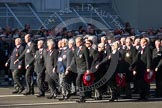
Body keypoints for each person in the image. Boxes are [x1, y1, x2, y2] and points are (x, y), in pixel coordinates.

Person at [67, 37, 90, 103]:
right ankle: (82, 97)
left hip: (84, 68)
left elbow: (87, 60)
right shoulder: (76, 49)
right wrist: (70, 66)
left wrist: (88, 69)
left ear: (81, 42)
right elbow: (74, 58)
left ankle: (82, 96)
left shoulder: (84, 49)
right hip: (78, 68)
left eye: (77, 42)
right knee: (81, 83)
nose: (76, 43)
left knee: (78, 81)